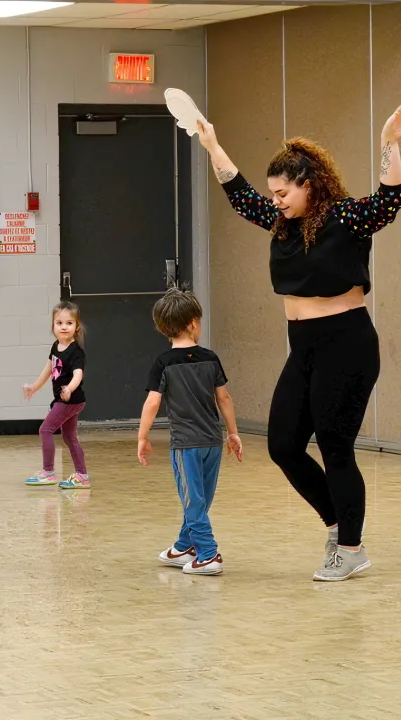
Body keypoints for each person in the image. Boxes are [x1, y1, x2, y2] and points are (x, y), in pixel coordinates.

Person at [197, 103, 401, 581]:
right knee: (284, 444)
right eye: (274, 193)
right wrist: (211, 143)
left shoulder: (349, 218)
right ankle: (339, 525)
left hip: (347, 343)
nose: (277, 200)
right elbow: (239, 193)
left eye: (284, 192)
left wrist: (390, 139)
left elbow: (390, 197)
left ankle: (350, 548)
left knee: (335, 445)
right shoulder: (281, 224)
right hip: (303, 345)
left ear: (309, 185)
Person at [138, 287, 242, 576]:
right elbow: (224, 398)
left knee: (192, 497)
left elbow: (152, 402)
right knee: (201, 497)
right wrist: (233, 433)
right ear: (194, 322)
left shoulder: (164, 363)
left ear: (163, 328)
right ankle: (185, 545)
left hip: (186, 445)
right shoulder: (211, 358)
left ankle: (208, 553)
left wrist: (142, 437)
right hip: (213, 441)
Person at [23, 301, 89, 490]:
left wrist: (69, 388)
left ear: (76, 326)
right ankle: (82, 475)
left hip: (70, 399)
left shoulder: (76, 352)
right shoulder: (55, 346)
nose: (64, 327)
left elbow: (78, 375)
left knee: (45, 429)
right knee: (69, 436)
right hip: (66, 399)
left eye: (69, 323)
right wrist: (34, 387)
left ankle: (48, 472)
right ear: (53, 326)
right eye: (59, 323)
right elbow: (49, 369)